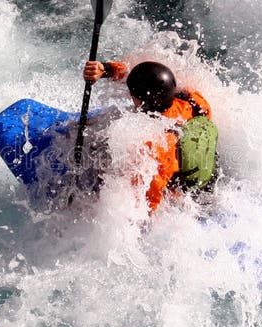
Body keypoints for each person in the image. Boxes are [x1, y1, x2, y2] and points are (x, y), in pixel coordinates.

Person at [83, 59, 217, 212]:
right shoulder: (194, 103)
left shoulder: (155, 143)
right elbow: (153, 80)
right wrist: (106, 69)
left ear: (142, 102)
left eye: (133, 94)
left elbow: (150, 198)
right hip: (208, 172)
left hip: (181, 199)